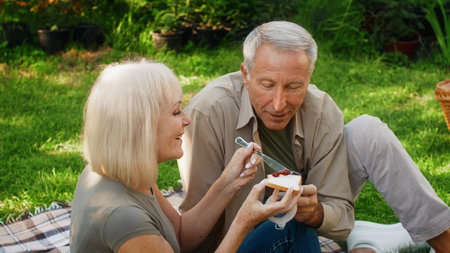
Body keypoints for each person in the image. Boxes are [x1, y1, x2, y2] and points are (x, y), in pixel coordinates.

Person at [177, 21, 450, 253]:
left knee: (370, 131)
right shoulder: (208, 112)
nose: (278, 103)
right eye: (267, 85)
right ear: (245, 74)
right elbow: (196, 231)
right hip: (234, 240)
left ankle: (443, 239)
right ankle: (361, 240)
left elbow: (339, 216)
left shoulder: (321, 109)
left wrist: (316, 212)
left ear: (309, 77)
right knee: (295, 229)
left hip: (306, 222)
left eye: (294, 86)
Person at [69, 59, 320, 253]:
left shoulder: (126, 172)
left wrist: (229, 182)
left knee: (294, 224)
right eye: (177, 112)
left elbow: (180, 235)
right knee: (292, 230)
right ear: (140, 127)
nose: (187, 120)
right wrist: (244, 220)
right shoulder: (123, 218)